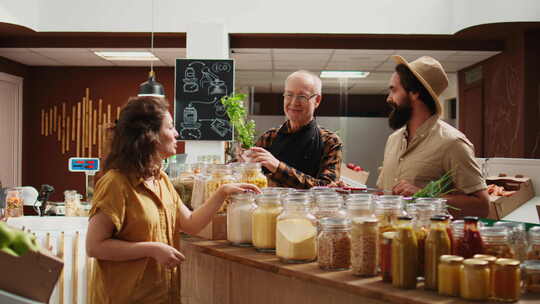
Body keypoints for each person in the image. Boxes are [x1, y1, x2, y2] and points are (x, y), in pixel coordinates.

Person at [86, 96, 260, 304]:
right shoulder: (115, 183)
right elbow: (94, 246)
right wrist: (151, 248)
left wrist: (222, 192)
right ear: (149, 136)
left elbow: (191, 224)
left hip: (161, 296)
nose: (177, 133)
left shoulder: (162, 180)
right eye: (170, 128)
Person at [377, 56, 489, 218]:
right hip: (388, 237)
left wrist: (425, 197)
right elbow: (383, 190)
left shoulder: (452, 143)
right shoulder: (393, 140)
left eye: (394, 90)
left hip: (429, 240)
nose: (389, 98)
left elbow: (482, 207)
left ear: (415, 92)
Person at [247, 70, 343, 189]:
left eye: (302, 96)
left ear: (317, 100)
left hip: (308, 208)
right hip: (269, 207)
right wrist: (243, 162)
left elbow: (327, 188)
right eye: (289, 95)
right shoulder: (269, 137)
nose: (294, 102)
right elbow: (247, 175)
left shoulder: (330, 141)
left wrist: (278, 167)